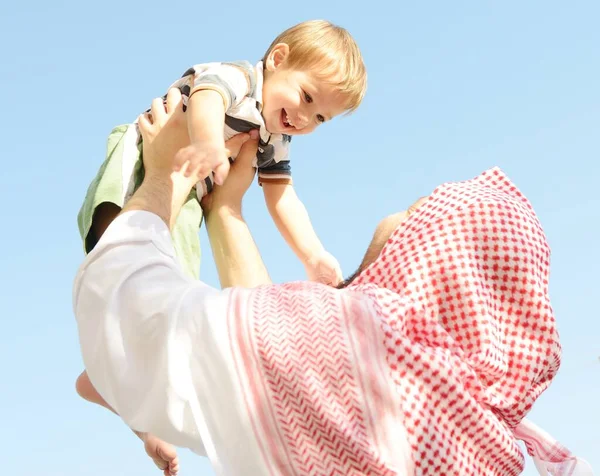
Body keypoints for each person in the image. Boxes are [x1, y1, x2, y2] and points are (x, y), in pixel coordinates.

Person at [73, 90, 592, 475]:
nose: (403, 212)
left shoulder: (370, 348)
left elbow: (127, 313)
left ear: (435, 253)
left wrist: (165, 173)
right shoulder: (470, 435)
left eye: (419, 209)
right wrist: (226, 209)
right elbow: (277, 349)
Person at [77, 19, 366, 284]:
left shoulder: (275, 138)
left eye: (319, 118)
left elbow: (283, 196)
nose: (304, 117)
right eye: (306, 97)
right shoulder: (243, 79)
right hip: (146, 149)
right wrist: (208, 141)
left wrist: (312, 254)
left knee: (177, 262)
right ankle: (110, 253)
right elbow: (208, 95)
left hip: (190, 188)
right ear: (277, 60)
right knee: (120, 230)